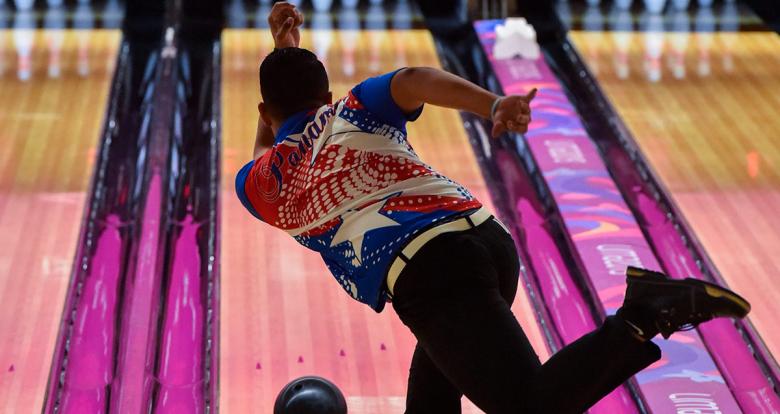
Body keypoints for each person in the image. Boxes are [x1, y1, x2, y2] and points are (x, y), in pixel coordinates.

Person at [236, 3, 751, 413]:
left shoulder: (263, 186)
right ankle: (642, 312)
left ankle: (643, 312)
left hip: (430, 273)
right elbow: (414, 77)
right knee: (434, 401)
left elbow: (271, 150)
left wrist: (281, 54)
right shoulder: (354, 108)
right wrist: (493, 105)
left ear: (263, 111)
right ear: (324, 93)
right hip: (486, 241)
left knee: (528, 404)